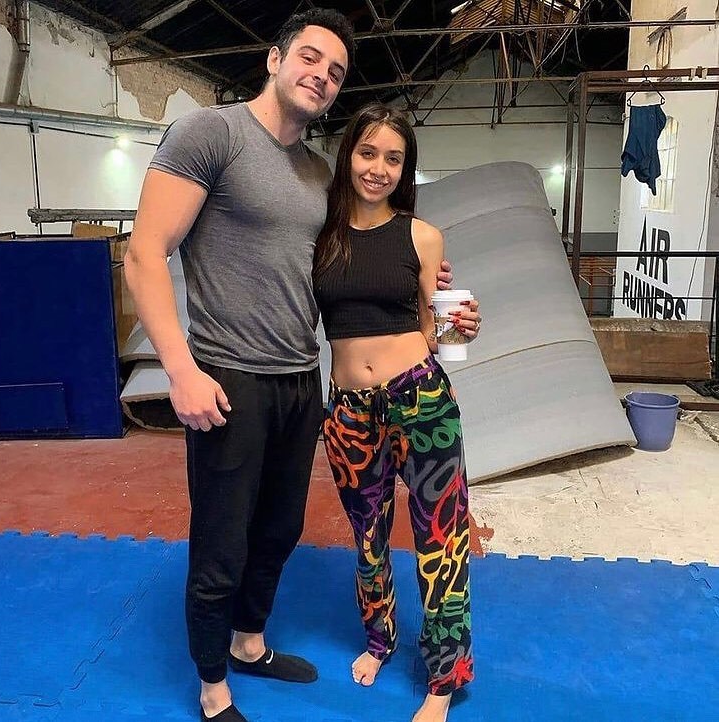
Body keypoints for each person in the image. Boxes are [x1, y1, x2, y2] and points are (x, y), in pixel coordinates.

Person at [125, 7, 480, 721]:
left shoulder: (321, 178)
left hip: (311, 382)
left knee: (286, 528)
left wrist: (440, 297)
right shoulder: (211, 133)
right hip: (238, 377)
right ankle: (214, 688)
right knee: (228, 540)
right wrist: (181, 370)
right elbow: (144, 252)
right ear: (274, 57)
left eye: (336, 71)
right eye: (310, 58)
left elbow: (386, 277)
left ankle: (254, 643)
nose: (321, 75)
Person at [313, 103, 476, 722]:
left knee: (442, 539)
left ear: (405, 169)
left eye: (393, 158)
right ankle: (379, 640)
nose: (378, 168)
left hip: (421, 399)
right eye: (367, 152)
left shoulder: (422, 236)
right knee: (368, 538)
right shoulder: (321, 235)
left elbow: (442, 327)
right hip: (348, 411)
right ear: (348, 155)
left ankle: (444, 679)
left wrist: (465, 325)